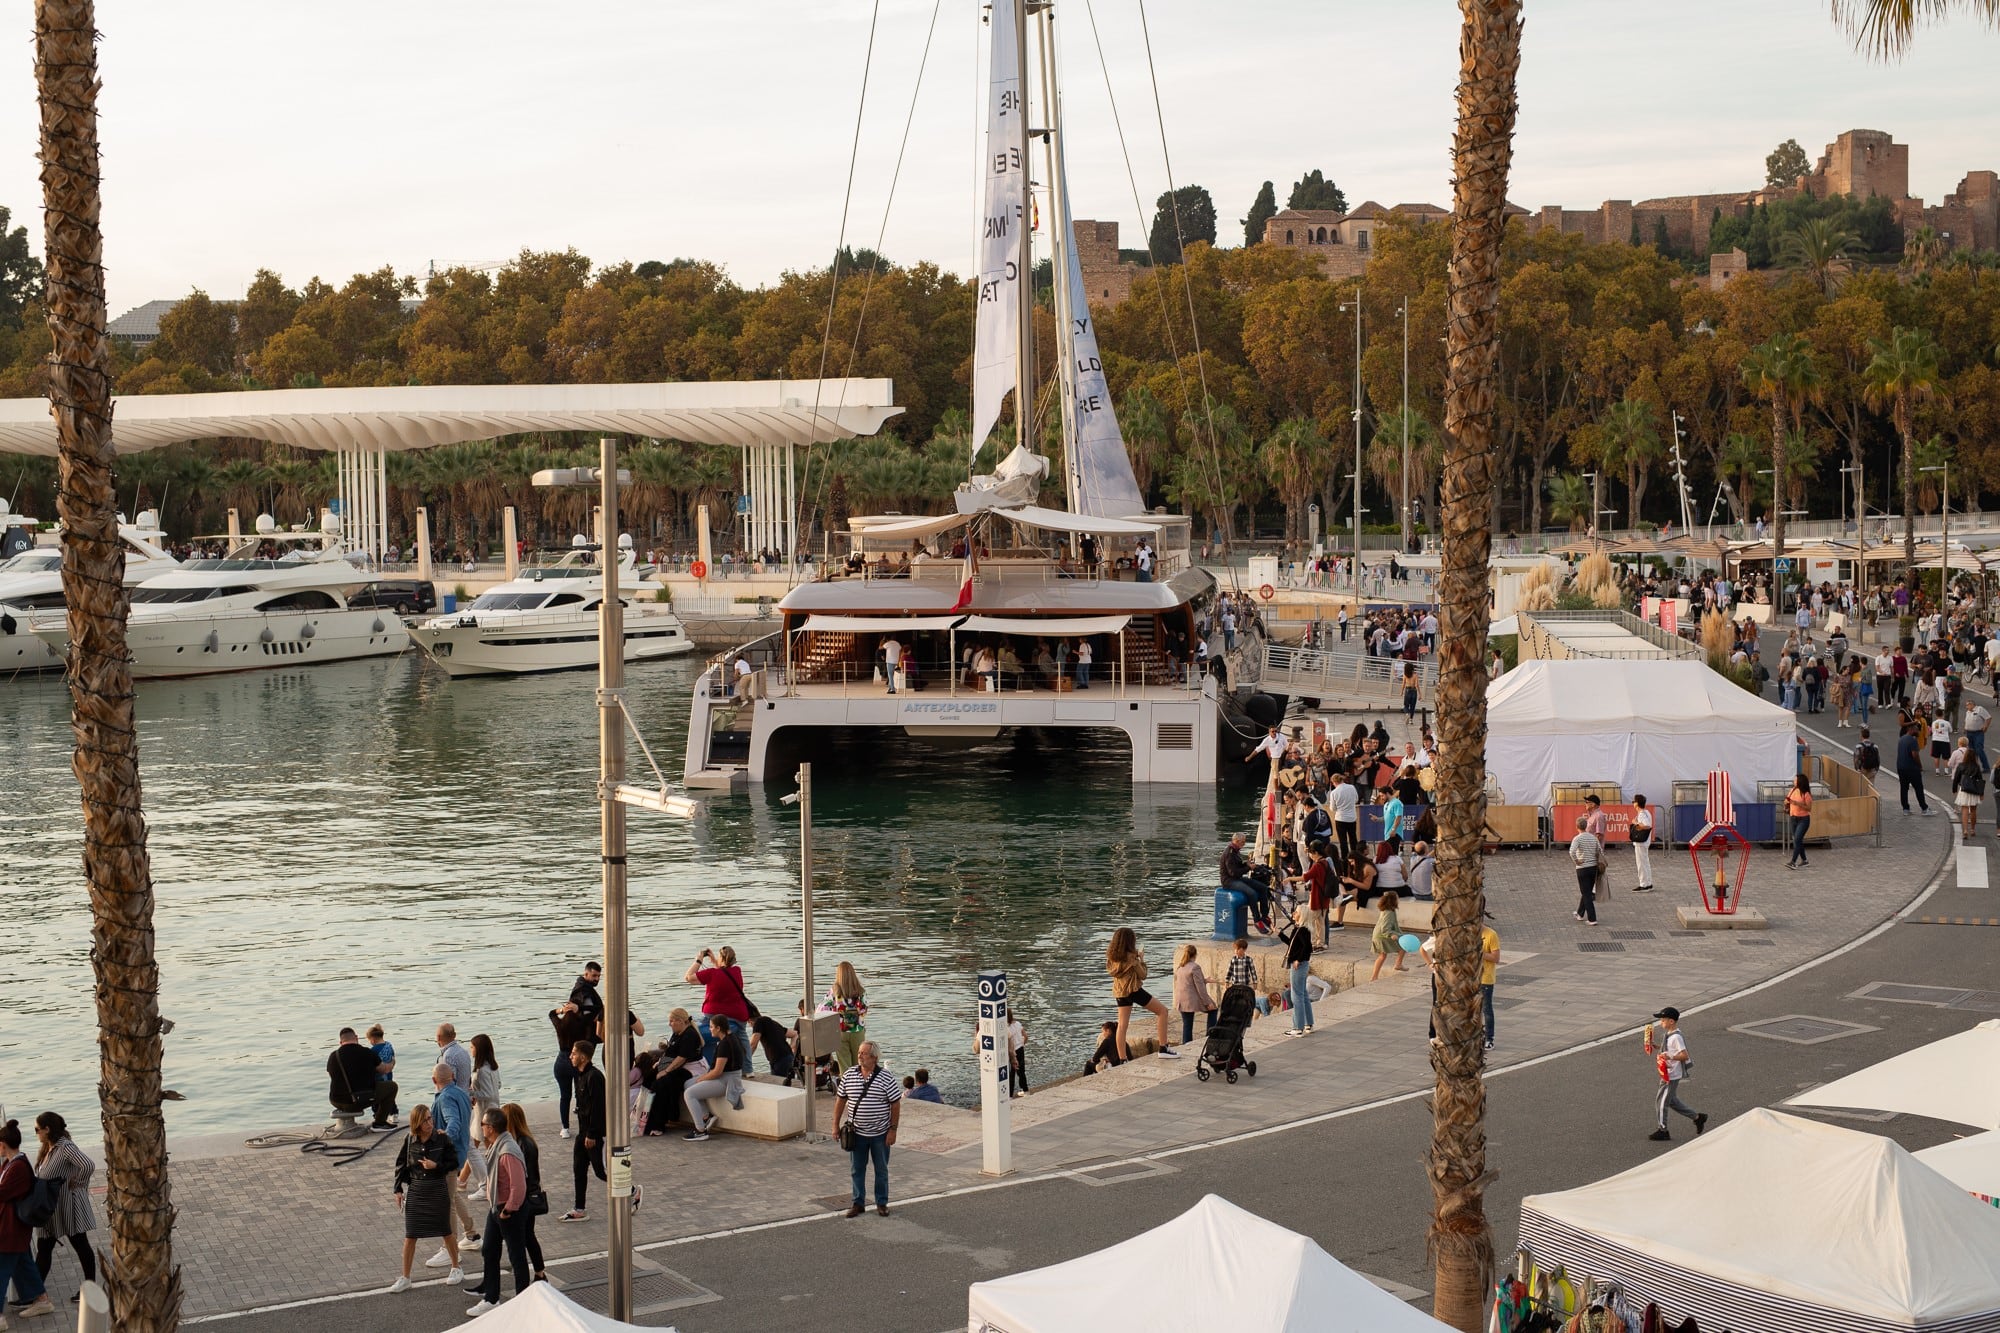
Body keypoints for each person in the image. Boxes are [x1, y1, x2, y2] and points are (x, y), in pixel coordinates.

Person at [387, 1105, 463, 1293]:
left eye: (431, 1118)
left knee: (446, 1231)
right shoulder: (410, 1140)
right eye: (426, 1120)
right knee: (410, 1235)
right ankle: (405, 1277)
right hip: (417, 1190)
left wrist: (435, 1165)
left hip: (437, 1188)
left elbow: (454, 1162)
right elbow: (401, 1165)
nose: (431, 1122)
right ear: (417, 1123)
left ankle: (456, 1267)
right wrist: (398, 1189)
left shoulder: (442, 1139)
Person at [463, 1108, 531, 1319]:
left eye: (483, 1124)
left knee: (516, 1256)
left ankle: (523, 1301)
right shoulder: (497, 1145)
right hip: (497, 1208)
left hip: (508, 1210)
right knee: (490, 1250)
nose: (481, 1127)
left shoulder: (507, 1150)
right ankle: (491, 1297)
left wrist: (508, 1209)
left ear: (490, 1128)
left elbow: (518, 1186)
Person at [832, 1041, 903, 1217]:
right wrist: (835, 1125)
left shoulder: (886, 1077)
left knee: (881, 1169)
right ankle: (858, 1203)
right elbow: (840, 1100)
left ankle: (882, 1202)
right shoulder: (849, 1074)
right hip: (856, 1133)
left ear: (875, 1058)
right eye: (859, 1053)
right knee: (856, 1169)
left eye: (864, 1053)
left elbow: (895, 1104)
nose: (860, 1056)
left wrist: (893, 1130)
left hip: (880, 1134)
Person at [29, 1113, 96, 1296]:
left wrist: (79, 1182)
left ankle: (90, 1289)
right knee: (44, 1248)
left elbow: (88, 1165)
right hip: (53, 1209)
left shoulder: (65, 1147)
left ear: (47, 1129)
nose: (36, 1134)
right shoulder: (49, 1149)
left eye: (37, 1130)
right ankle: (34, 1292)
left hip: (69, 1206)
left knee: (80, 1245)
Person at [0, 1121, 55, 1320]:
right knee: (23, 1263)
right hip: (11, 1226)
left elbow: (3, 1193)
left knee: (2, 1270)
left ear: (3, 1145)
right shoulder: (9, 1164)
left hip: (11, 1228)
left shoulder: (18, 1167)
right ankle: (41, 1300)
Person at [426, 1063, 480, 1255]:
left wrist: (444, 1138)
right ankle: (471, 1234)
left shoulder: (445, 1098)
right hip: (461, 1151)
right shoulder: (460, 1093)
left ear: (434, 1080)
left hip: (449, 1155)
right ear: (453, 1077)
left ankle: (449, 1248)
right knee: (453, 1194)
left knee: (446, 1202)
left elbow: (454, 1122)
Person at [548, 961, 603, 1140]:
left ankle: (564, 1128)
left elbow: (551, 1014)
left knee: (565, 1096)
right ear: (586, 974)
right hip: (574, 1059)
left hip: (560, 1061)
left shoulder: (560, 1026)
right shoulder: (581, 1026)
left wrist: (561, 1009)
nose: (596, 979)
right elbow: (594, 1016)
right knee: (580, 1094)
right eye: (594, 976)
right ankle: (583, 1127)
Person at [1106, 927, 1178, 1060]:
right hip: (1134, 991)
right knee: (1162, 1011)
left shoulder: (1112, 958)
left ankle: (1122, 1059)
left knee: (1122, 1025)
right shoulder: (1132, 958)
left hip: (1120, 993)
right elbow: (1143, 975)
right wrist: (1141, 959)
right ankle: (1163, 1048)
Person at [500, 1103, 549, 1285]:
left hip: (524, 1197)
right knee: (529, 1235)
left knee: (525, 1236)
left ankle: (538, 1272)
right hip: (529, 1193)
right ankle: (539, 1272)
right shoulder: (526, 1141)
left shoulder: (521, 1144)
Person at [558, 1042, 606, 1222]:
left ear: (583, 1057)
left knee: (601, 1171)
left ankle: (631, 1191)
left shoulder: (594, 1077)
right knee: (578, 1168)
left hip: (594, 1133)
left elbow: (598, 1108)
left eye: (573, 1053)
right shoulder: (579, 1076)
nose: (570, 1056)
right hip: (582, 1131)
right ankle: (579, 1208)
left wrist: (592, 1134)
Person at [1644, 1007, 1708, 1142]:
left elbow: (1684, 1055)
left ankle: (1663, 1130)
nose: (1660, 1023)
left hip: (1671, 1075)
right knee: (1672, 1101)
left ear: (1671, 1021)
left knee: (1661, 1102)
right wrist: (1654, 1046)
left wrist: (1670, 1057)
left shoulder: (1676, 1037)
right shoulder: (1669, 1035)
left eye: (1662, 1020)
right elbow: (1667, 1050)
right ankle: (1697, 1118)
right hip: (1667, 1072)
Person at [682, 1015, 746, 1142]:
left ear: (718, 1028)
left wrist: (702, 1078)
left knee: (689, 1094)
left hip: (727, 1081)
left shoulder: (725, 1044)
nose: (710, 1029)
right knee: (688, 1084)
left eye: (711, 1027)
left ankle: (700, 1130)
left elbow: (717, 1072)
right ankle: (706, 1116)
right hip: (728, 1076)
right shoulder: (733, 1038)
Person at [685, 946, 752, 1064]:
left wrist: (699, 960)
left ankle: (707, 1065)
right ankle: (748, 1069)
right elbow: (724, 974)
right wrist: (715, 961)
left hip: (714, 1017)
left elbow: (688, 977)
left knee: (691, 1024)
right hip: (739, 1016)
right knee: (743, 1038)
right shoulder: (737, 971)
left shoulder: (711, 974)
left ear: (721, 958)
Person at [328, 1027, 400, 1130]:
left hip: (336, 1100)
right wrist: (392, 1062)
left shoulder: (333, 1056)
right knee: (392, 1087)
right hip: (359, 1101)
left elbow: (332, 1076)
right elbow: (385, 1070)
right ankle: (380, 1123)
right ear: (356, 1038)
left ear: (340, 1042)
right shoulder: (367, 1052)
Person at [647, 1010, 704, 1134]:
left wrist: (666, 1071)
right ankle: (644, 1117)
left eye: (671, 1021)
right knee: (647, 1078)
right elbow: (670, 1052)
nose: (669, 1024)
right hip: (678, 1065)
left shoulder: (689, 1035)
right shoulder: (677, 1032)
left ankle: (658, 1124)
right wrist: (659, 1064)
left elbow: (682, 1058)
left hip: (691, 1068)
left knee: (662, 1084)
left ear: (680, 1021)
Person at [462, 1034, 502, 1201]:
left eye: (472, 1047)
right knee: (476, 1145)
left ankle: (487, 1184)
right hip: (490, 1110)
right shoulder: (493, 1067)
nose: (470, 1050)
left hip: (484, 1113)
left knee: (478, 1147)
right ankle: (462, 1180)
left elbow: (487, 1093)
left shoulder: (481, 1071)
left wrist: (470, 1092)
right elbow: (498, 1086)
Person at [821, 960, 869, 1074]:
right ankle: (861, 1088)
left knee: (844, 1066)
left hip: (840, 1031)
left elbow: (823, 1009)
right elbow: (864, 1010)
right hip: (857, 1031)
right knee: (860, 1063)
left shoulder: (834, 991)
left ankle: (847, 1088)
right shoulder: (861, 991)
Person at [1172, 942, 1217, 1046]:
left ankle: (1186, 1044)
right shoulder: (1195, 967)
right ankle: (1210, 1037)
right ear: (1195, 955)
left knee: (1187, 1024)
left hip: (1181, 1000)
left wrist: (1205, 980)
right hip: (1191, 999)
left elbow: (1189, 982)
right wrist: (1207, 1002)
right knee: (1213, 1010)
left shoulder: (1180, 967)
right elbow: (1200, 987)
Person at [1284, 905, 1317, 1035]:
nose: (1293, 913)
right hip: (1301, 964)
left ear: (1301, 915)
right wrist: (1279, 934)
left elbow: (1308, 948)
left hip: (1299, 965)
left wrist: (1298, 959)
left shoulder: (1303, 930)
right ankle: (1308, 1023)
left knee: (1296, 995)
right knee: (1302, 994)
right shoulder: (1298, 929)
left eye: (1296, 912)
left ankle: (1297, 1027)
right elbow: (1292, 944)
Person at [1569, 815, 1602, 925]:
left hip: (1582, 868)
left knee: (1586, 893)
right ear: (1587, 825)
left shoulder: (1577, 838)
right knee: (1587, 890)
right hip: (1593, 867)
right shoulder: (1593, 838)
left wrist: (1576, 861)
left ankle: (1592, 918)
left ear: (1577, 827)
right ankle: (1580, 913)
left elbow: (1571, 851)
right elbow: (1600, 851)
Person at [747, 1011, 796, 1082]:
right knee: (788, 1084)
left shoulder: (758, 1022)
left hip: (779, 1060)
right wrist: (791, 1048)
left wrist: (746, 1062)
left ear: (749, 1021)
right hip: (788, 1057)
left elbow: (753, 1045)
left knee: (778, 1086)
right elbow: (794, 1034)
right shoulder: (773, 1023)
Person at [1368, 891, 1406, 982]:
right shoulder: (1389, 913)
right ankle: (1398, 964)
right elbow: (1385, 928)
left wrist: (1400, 934)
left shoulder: (1387, 910)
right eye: (1397, 899)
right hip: (1383, 936)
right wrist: (1392, 934)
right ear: (1393, 901)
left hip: (1379, 935)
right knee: (1403, 947)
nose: (1398, 900)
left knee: (1382, 956)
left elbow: (1394, 926)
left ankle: (1374, 977)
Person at [366, 1024, 398, 1128]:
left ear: (373, 1039)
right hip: (389, 1075)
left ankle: (377, 1115)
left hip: (379, 1078)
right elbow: (393, 1059)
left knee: (378, 1098)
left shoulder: (373, 1051)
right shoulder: (389, 1045)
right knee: (390, 1096)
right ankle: (394, 1113)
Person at [1954, 740, 1988, 838]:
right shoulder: (1976, 766)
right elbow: (1980, 780)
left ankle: (1965, 830)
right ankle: (1972, 829)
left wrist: (1954, 789)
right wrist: (1981, 793)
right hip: (1974, 790)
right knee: (1973, 810)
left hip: (1964, 789)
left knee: (1964, 810)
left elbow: (1956, 779)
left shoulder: (1961, 766)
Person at [1897, 720, 1931, 815]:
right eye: (1917, 729)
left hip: (1901, 767)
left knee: (1904, 788)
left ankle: (1905, 809)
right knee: (1918, 788)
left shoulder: (1902, 739)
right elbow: (1915, 755)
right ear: (1911, 729)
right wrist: (1920, 766)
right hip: (1911, 768)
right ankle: (1924, 808)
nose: (1918, 731)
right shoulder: (1912, 740)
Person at [1479, 916, 1501, 1050]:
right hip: (1470, 978)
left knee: (1486, 1009)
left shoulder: (1491, 934)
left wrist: (1479, 954)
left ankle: (1489, 1037)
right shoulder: (1468, 934)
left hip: (1485, 978)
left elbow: (1496, 958)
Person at [1785, 773, 1815, 868]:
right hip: (1793, 817)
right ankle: (1805, 860)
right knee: (1797, 840)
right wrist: (1786, 804)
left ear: (1800, 782)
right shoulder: (1792, 790)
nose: (1794, 781)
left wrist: (1797, 803)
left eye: (1795, 780)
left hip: (1803, 819)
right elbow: (1787, 800)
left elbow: (1809, 808)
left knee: (1797, 839)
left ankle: (1793, 861)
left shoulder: (1806, 794)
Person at [1630, 794, 1656, 892]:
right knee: (1645, 862)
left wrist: (1636, 823)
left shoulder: (1642, 814)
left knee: (1641, 863)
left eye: (1634, 802)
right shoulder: (1646, 812)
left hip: (1641, 841)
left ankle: (1644, 884)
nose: (1633, 803)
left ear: (1637, 803)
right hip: (1644, 841)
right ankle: (1648, 883)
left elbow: (1647, 825)